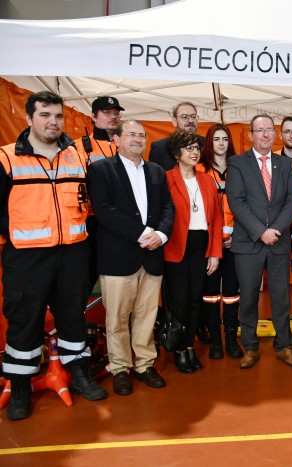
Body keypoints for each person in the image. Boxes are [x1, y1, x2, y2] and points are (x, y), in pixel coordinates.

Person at [0, 91, 107, 420]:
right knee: (24, 322)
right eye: (45, 115)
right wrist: (16, 237)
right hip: (28, 258)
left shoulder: (75, 155)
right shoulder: (6, 158)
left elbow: (86, 199)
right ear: (29, 119)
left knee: (73, 317)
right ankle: (20, 385)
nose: (53, 122)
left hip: (73, 253)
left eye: (58, 116)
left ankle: (79, 373)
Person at [88, 120, 174, 395]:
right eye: (131, 134)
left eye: (142, 135)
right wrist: (143, 233)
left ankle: (145, 364)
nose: (137, 139)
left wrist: (161, 235)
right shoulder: (101, 170)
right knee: (117, 318)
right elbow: (103, 210)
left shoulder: (157, 172)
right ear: (117, 139)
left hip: (152, 255)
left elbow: (168, 207)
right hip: (118, 258)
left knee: (147, 315)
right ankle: (121, 368)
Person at [226, 114, 292, 369]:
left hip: (278, 242)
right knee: (248, 297)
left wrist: (275, 231)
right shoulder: (237, 163)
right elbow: (236, 202)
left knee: (281, 297)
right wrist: (261, 232)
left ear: (275, 134)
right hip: (248, 243)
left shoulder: (285, 164)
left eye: (269, 130)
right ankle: (250, 347)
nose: (265, 134)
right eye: (260, 130)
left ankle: (284, 346)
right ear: (250, 135)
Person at [163, 130, 223, 373]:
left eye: (197, 148)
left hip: (201, 244)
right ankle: (178, 349)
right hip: (176, 245)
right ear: (177, 153)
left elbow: (217, 219)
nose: (194, 152)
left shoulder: (207, 180)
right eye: (188, 148)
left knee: (196, 299)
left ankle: (189, 346)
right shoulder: (165, 178)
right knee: (179, 301)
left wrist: (215, 252)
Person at [198, 123, 243, 360]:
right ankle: (215, 340)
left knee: (233, 293)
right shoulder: (200, 169)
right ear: (209, 142)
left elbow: (248, 206)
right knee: (211, 294)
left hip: (236, 244)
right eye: (216, 139)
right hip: (210, 245)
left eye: (225, 139)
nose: (221, 143)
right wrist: (215, 240)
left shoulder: (239, 168)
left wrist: (237, 236)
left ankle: (232, 339)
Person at [74, 95, 124, 298]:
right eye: (106, 113)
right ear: (93, 117)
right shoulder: (78, 147)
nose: (112, 117)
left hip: (120, 222)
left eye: (116, 113)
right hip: (91, 222)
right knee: (84, 278)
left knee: (119, 281)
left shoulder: (127, 145)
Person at [148, 101, 205, 172]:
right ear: (175, 121)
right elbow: (155, 177)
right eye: (185, 117)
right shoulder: (159, 147)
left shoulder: (206, 144)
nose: (190, 120)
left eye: (193, 117)